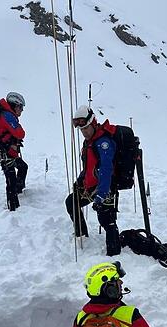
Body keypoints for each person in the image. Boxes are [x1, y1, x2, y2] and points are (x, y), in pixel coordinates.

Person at [65, 105, 122, 255]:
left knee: (106, 220)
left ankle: (114, 253)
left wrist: (102, 194)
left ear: (93, 123)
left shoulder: (103, 142)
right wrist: (80, 180)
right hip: (90, 187)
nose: (84, 132)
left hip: (106, 188)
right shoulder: (89, 142)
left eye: (86, 128)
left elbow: (106, 168)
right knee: (72, 202)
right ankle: (82, 236)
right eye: (81, 130)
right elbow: (89, 166)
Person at [0, 92, 28, 211]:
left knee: (23, 167)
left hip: (7, 151)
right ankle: (13, 208)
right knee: (11, 177)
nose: (22, 110)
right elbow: (20, 133)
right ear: (14, 105)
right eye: (20, 107)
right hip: (3, 151)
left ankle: (18, 192)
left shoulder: (7, 114)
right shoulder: (7, 116)